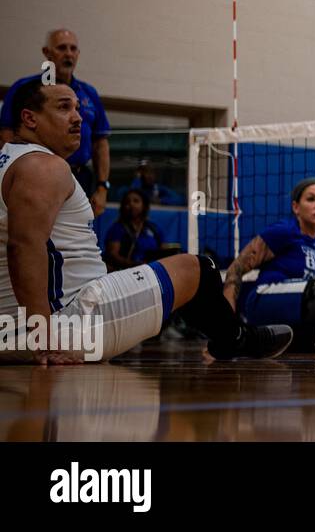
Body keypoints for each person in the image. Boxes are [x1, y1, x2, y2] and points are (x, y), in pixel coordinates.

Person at [0, 80, 290, 363]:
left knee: (170, 279)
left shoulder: (10, 161)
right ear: (29, 118)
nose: (78, 118)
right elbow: (23, 245)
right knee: (198, 268)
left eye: (77, 108)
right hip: (64, 326)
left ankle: (226, 338)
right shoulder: (42, 166)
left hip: (12, 330)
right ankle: (236, 340)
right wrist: (43, 334)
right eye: (64, 108)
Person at [0, 29, 112, 217]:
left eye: (73, 48)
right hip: (35, 174)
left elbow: (100, 144)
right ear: (47, 52)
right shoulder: (25, 89)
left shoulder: (89, 93)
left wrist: (102, 187)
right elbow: (6, 135)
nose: (68, 53)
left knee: (77, 235)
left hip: (80, 175)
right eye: (62, 48)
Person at [222, 178, 315, 352]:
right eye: (311, 199)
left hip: (297, 308)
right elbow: (235, 270)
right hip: (264, 299)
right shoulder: (283, 231)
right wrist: (225, 327)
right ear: (296, 207)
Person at [103, 188, 166, 271]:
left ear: (144, 205)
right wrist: (134, 265)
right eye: (127, 202)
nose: (131, 204)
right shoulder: (117, 228)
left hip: (152, 271)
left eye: (136, 201)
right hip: (125, 272)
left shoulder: (153, 228)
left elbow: (163, 252)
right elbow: (113, 255)